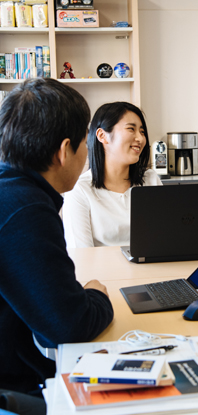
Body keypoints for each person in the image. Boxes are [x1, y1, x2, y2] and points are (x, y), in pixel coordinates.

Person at [0, 78, 114, 404]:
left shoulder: (12, 189)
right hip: (16, 390)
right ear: (65, 151)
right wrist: (96, 293)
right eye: (84, 145)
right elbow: (70, 326)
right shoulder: (25, 207)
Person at [63, 102, 162, 248]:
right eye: (131, 129)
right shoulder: (80, 190)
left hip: (153, 270)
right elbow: (81, 256)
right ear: (102, 136)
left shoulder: (150, 179)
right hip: (102, 271)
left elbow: (164, 238)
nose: (140, 139)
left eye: (142, 132)